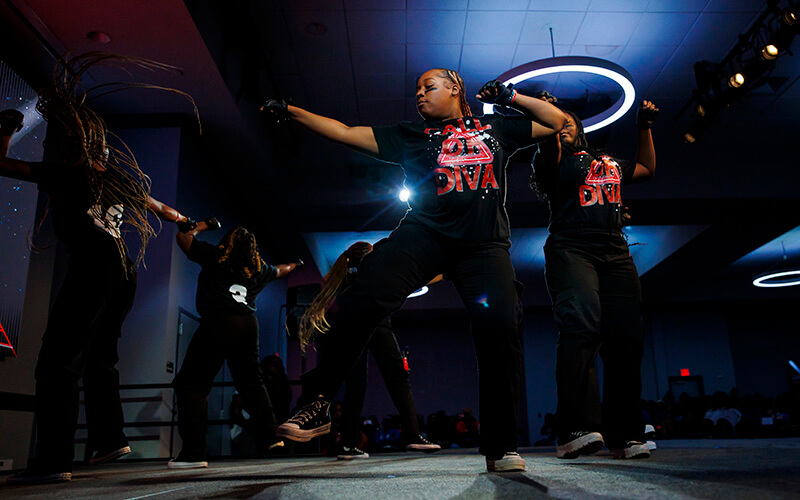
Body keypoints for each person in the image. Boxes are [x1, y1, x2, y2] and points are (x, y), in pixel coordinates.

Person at [262, 69, 565, 472]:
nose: (419, 95)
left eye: (429, 87)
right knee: (362, 294)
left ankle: (501, 444)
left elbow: (558, 122)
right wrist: (292, 111)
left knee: (501, 327)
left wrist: (511, 95)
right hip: (426, 234)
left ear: (455, 89)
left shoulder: (496, 128)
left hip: (483, 245)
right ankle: (318, 403)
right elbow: (344, 132)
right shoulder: (411, 135)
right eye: (417, 91)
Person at [1, 53, 201, 485]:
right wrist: (188, 223)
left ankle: (54, 461)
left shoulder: (65, 174)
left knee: (58, 363)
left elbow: (1, 163)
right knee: (100, 357)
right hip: (122, 271)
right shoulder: (118, 181)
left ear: (75, 149)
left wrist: (7, 129)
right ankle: (109, 437)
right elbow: (167, 210)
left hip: (95, 267)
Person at [531, 99, 658, 460]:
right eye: (556, 123)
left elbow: (648, 168)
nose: (562, 125)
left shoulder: (609, 162)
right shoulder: (553, 162)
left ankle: (626, 433)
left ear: (581, 129)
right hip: (572, 250)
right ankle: (577, 428)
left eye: (568, 122)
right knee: (582, 328)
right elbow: (549, 137)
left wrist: (643, 126)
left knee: (627, 339)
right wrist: (547, 117)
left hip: (615, 252)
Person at [169, 225, 303, 469]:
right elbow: (282, 270)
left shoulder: (214, 257)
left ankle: (193, 453)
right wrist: (297, 265)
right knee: (251, 382)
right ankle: (271, 435)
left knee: (191, 386)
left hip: (218, 321)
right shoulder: (259, 269)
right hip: (247, 325)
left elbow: (182, 238)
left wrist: (202, 226)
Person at [297, 242, 440, 460]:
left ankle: (347, 445)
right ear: (369, 257)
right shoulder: (374, 272)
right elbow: (416, 279)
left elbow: (327, 282)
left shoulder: (342, 276)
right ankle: (413, 435)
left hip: (350, 330)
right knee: (398, 379)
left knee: (356, 387)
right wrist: (445, 273)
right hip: (377, 326)